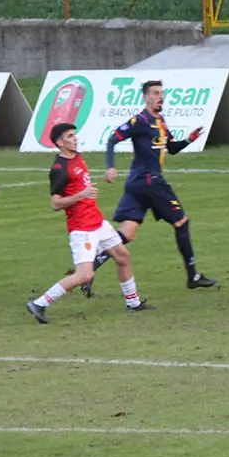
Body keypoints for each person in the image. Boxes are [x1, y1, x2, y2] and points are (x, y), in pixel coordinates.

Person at [93, 79, 217, 291]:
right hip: (151, 182)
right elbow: (113, 139)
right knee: (181, 223)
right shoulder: (140, 120)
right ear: (146, 96)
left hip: (137, 183)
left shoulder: (160, 122)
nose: (160, 97)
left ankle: (91, 267)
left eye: (162, 93)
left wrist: (189, 139)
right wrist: (110, 167)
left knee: (128, 232)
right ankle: (192, 276)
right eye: (156, 93)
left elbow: (172, 148)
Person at [26, 122, 153, 323]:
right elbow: (55, 203)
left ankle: (133, 303)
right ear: (59, 143)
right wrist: (81, 195)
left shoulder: (77, 157)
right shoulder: (60, 169)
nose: (74, 138)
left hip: (97, 222)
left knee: (122, 256)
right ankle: (39, 303)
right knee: (84, 275)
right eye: (69, 136)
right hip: (82, 229)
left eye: (74, 135)